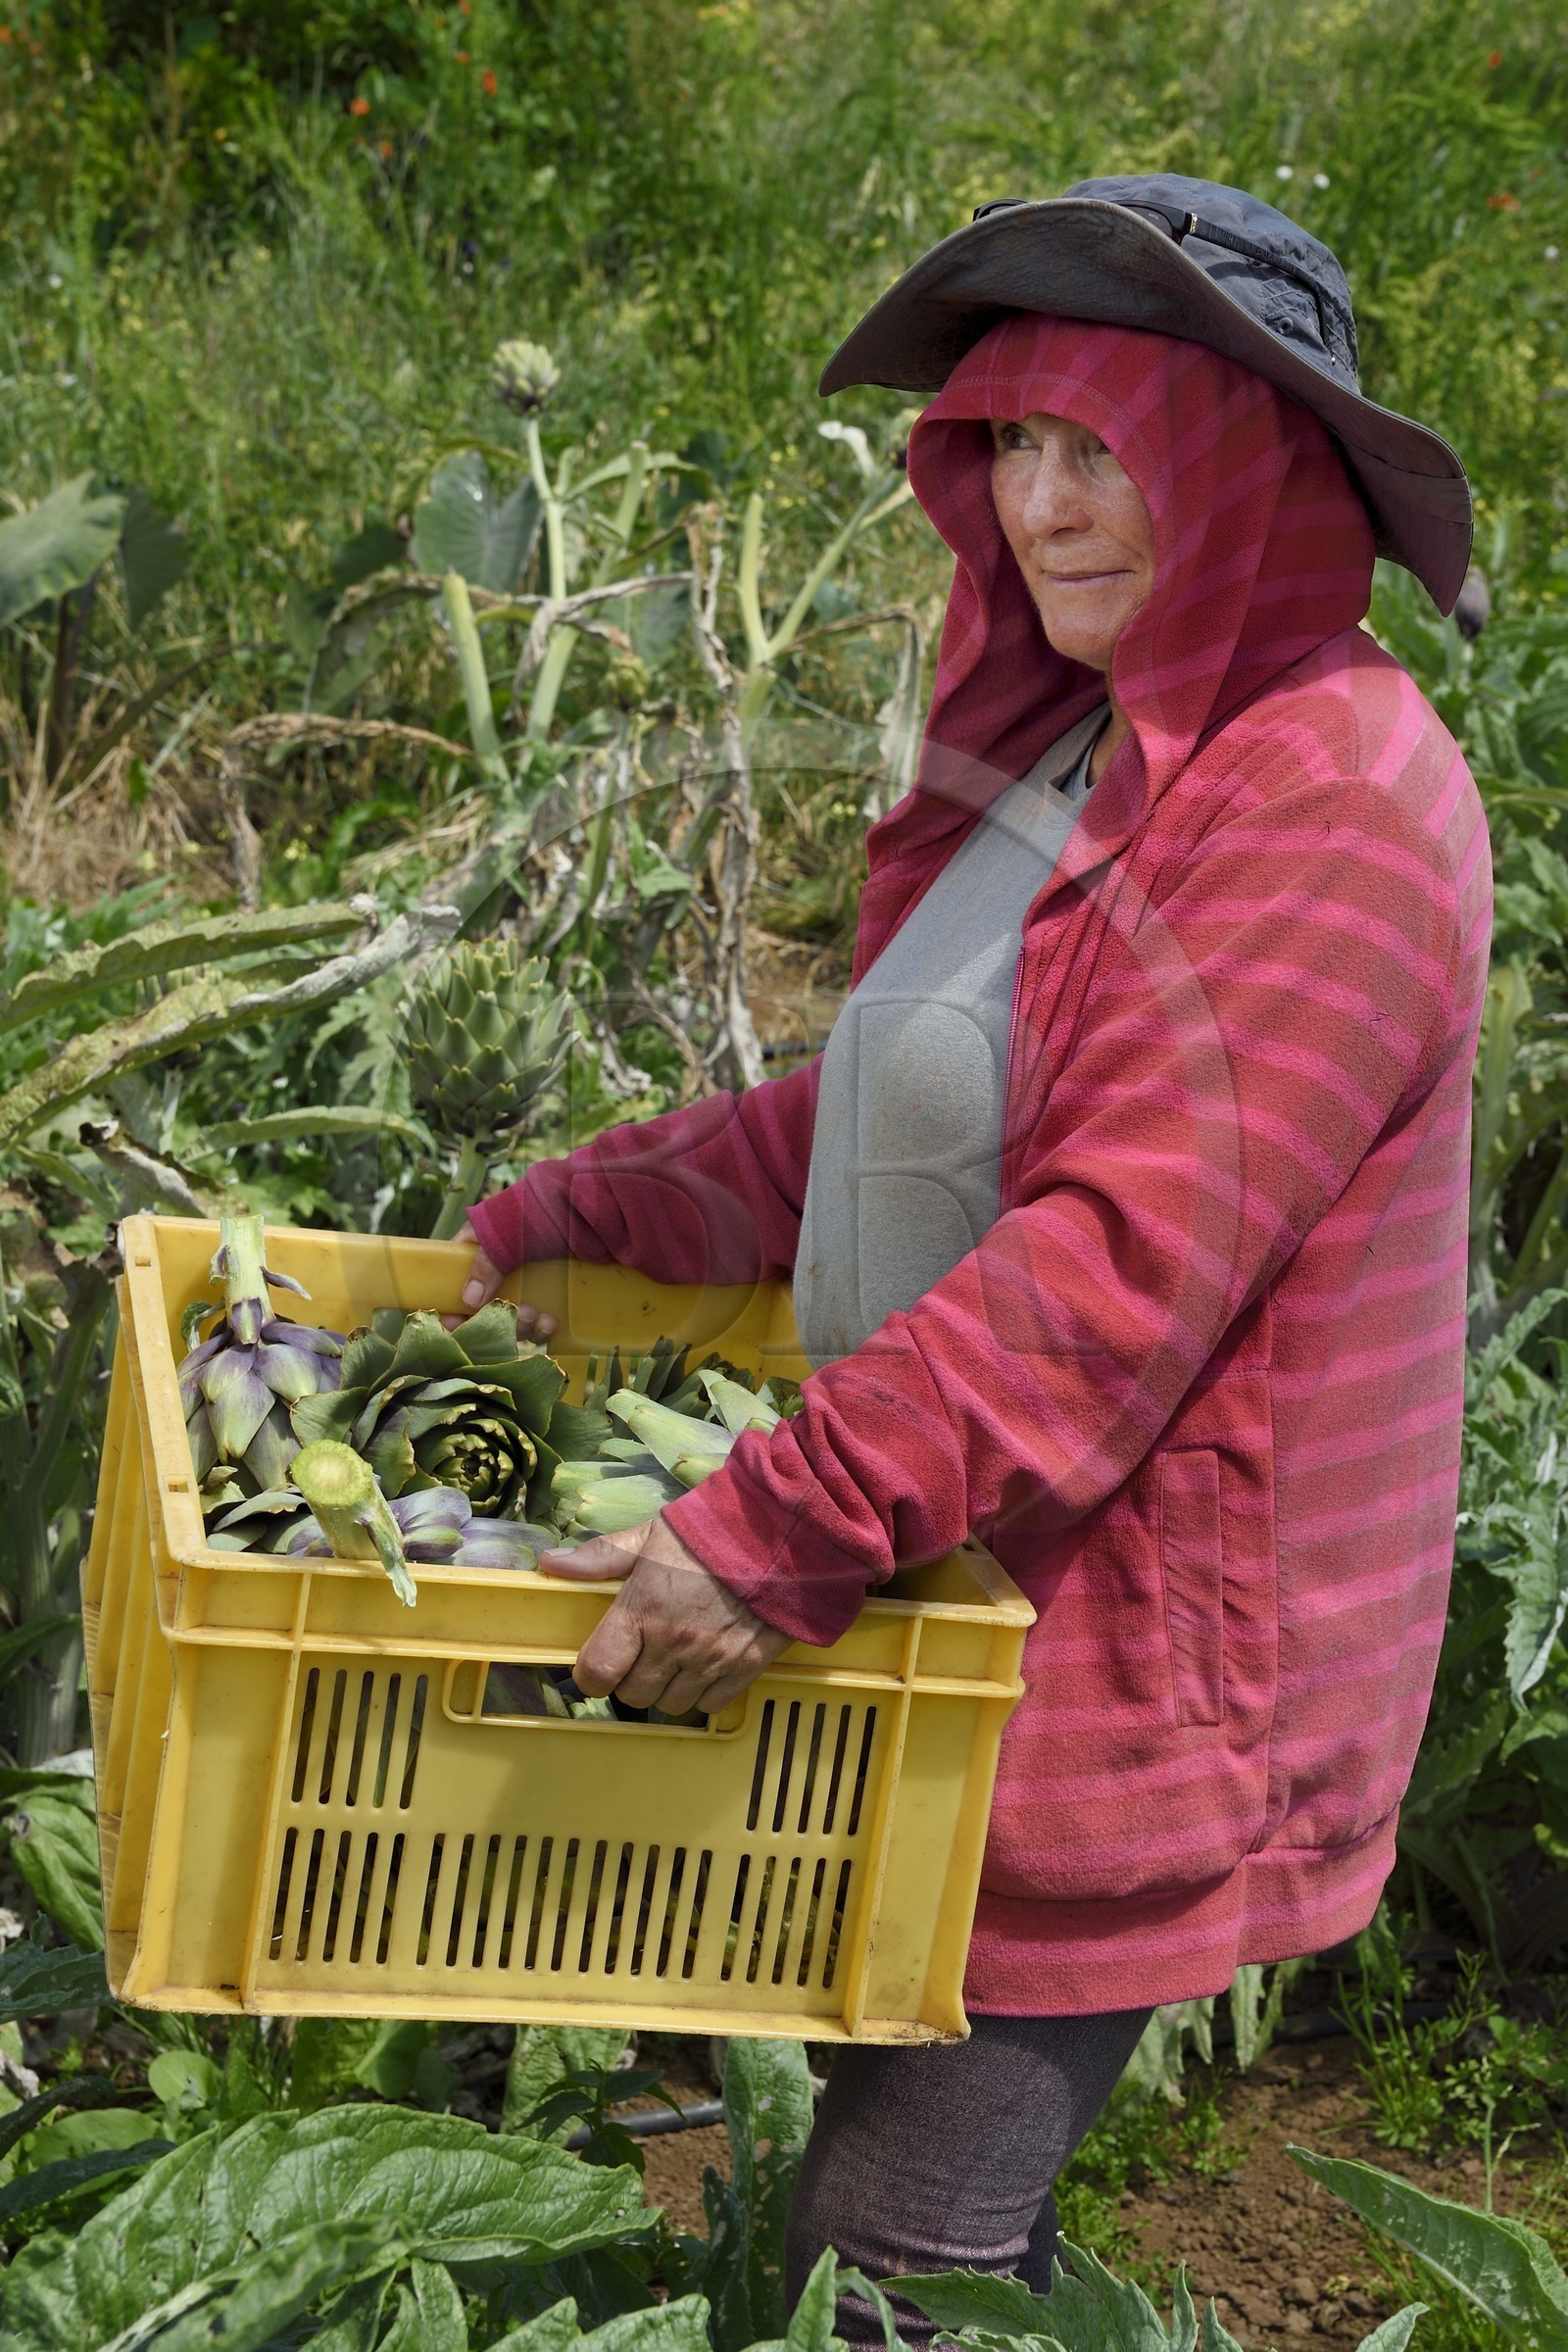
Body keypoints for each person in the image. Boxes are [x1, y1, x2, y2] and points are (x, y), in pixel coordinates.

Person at [458, 177, 1490, 2340]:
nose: (1037, 502)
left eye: (1099, 441)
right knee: (904, 2211)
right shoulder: (1099, 748)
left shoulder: (1326, 791)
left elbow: (1118, 1258)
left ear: (1246, 452)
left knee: (894, 2269)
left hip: (1138, 1656)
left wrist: (770, 1530)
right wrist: (588, 1210)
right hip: (972, 1600)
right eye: (1006, 444)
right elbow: (904, 1111)